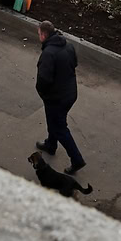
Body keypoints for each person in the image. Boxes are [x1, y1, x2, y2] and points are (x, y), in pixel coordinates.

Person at [32, 21, 86, 173]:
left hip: (56, 98)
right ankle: (51, 144)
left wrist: (42, 92)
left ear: (43, 35)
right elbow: (74, 63)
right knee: (53, 119)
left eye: (39, 34)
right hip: (70, 93)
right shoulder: (67, 45)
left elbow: (43, 79)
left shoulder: (48, 53)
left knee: (59, 127)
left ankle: (77, 159)